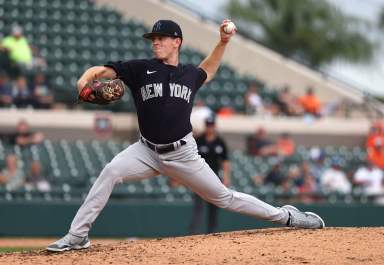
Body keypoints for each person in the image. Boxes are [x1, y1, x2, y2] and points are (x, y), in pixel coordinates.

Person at [47, 19, 324, 252]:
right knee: (110, 171)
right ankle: (78, 236)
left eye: (161, 38)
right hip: (145, 151)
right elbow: (99, 71)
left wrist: (223, 43)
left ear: (176, 41)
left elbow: (210, 68)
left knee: (224, 198)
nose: (155, 42)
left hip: (183, 153)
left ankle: (287, 217)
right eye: (153, 38)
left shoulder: (189, 74)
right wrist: (83, 82)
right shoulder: (139, 68)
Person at [189, 116, 231, 234]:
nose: (210, 128)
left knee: (214, 205)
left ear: (215, 126)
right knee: (198, 206)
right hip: (199, 177)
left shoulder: (220, 142)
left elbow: (225, 161)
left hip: (215, 177)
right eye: (208, 125)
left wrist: (227, 177)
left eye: (211, 126)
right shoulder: (199, 140)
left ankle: (211, 232)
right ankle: (194, 232)